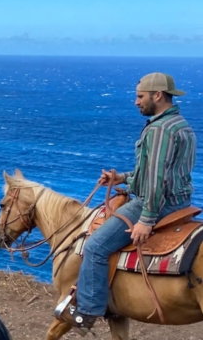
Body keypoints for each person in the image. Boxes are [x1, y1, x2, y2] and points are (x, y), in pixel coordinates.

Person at [63, 72, 195, 329]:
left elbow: (156, 180)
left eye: (140, 97)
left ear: (158, 95)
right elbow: (160, 171)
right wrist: (121, 178)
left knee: (95, 246)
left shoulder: (158, 130)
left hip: (156, 203)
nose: (136, 102)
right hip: (181, 200)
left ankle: (88, 311)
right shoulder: (180, 124)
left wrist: (146, 219)